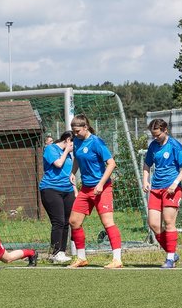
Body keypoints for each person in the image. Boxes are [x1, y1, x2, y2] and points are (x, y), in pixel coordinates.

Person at [67, 114, 124, 269]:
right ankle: (81, 258)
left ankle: (117, 259)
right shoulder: (77, 141)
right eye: (74, 131)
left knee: (107, 222)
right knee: (74, 222)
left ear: (86, 127)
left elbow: (111, 164)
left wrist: (100, 184)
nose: (76, 134)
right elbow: (77, 158)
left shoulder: (97, 142)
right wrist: (73, 172)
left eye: (78, 131)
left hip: (102, 188)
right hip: (85, 189)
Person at [142, 118, 182, 268]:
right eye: (153, 135)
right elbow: (147, 164)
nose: (155, 138)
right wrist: (145, 180)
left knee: (169, 223)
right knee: (153, 224)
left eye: (157, 135)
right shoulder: (153, 146)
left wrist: (175, 183)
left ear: (165, 131)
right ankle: (172, 252)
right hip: (156, 189)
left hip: (171, 190)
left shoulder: (174, 145)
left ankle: (170, 258)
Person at [40, 130, 76, 263]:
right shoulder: (51, 149)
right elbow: (58, 164)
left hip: (67, 190)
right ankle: (54, 253)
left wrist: (75, 189)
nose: (74, 147)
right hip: (51, 189)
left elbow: (69, 173)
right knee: (58, 221)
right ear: (67, 140)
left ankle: (61, 251)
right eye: (73, 144)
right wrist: (66, 151)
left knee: (67, 221)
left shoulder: (69, 155)